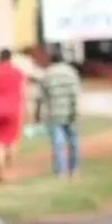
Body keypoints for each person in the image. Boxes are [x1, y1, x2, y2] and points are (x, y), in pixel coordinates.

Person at [38, 48, 81, 177]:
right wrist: (76, 111)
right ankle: (74, 169)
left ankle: (60, 171)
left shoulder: (47, 73)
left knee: (58, 144)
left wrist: (40, 113)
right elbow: (75, 94)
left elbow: (42, 96)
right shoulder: (71, 72)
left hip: (54, 113)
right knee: (73, 142)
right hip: (70, 112)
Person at [0, 48, 25, 183]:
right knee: (12, 140)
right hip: (13, 109)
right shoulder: (17, 72)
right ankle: (9, 169)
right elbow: (22, 89)